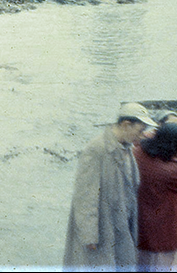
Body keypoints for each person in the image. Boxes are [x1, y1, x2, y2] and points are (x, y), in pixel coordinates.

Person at [63, 102, 157, 270]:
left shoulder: (127, 148)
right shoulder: (96, 149)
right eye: (140, 130)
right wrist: (89, 235)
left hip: (121, 224)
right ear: (126, 124)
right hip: (101, 230)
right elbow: (85, 196)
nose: (142, 136)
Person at [135, 123, 177, 271]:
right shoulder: (170, 170)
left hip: (143, 220)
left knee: (144, 260)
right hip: (166, 226)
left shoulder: (138, 152)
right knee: (170, 262)